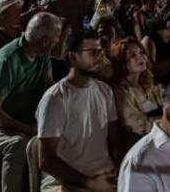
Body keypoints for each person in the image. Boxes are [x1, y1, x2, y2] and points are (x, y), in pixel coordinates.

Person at [0, 13, 63, 192]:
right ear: (45, 40)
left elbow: (49, 89)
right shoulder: (8, 60)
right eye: (57, 37)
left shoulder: (42, 54)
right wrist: (28, 129)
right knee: (19, 143)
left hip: (25, 120)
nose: (59, 40)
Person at [36, 29, 121, 192]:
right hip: (67, 182)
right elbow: (47, 160)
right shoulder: (55, 99)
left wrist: (120, 170)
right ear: (73, 57)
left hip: (104, 176)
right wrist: (90, 183)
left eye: (101, 51)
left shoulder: (105, 91)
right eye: (93, 52)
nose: (100, 57)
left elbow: (115, 140)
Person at [109, 37, 164, 152]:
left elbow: (167, 100)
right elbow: (138, 124)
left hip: (161, 138)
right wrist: (169, 121)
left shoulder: (147, 84)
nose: (141, 57)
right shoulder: (120, 91)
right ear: (122, 63)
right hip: (142, 147)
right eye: (133, 55)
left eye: (142, 52)